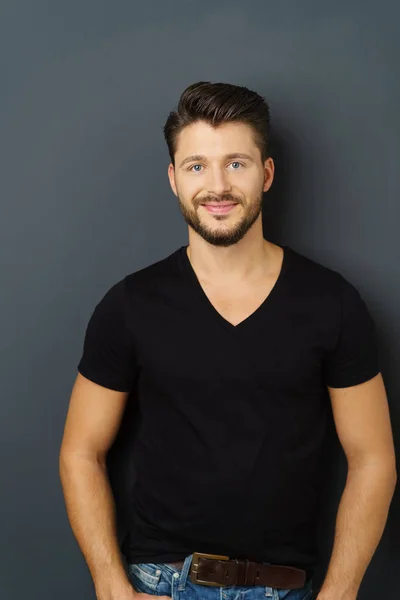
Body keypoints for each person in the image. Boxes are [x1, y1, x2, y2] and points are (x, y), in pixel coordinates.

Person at [59, 81, 397, 600]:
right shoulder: (129, 305)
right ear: (174, 178)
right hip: (161, 584)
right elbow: (81, 451)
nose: (217, 185)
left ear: (266, 173)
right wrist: (109, 586)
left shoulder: (333, 303)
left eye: (236, 163)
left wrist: (342, 593)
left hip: (285, 589)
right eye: (197, 165)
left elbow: (374, 458)